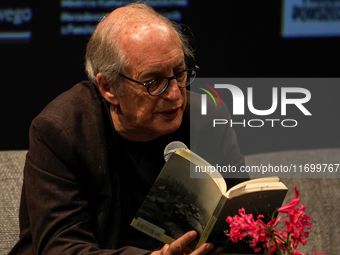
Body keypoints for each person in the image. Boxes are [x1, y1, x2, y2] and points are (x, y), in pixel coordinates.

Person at [9, 3, 246, 255]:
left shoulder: (206, 119)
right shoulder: (61, 132)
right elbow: (60, 247)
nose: (175, 94)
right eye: (154, 82)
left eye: (179, 73)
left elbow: (244, 219)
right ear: (109, 87)